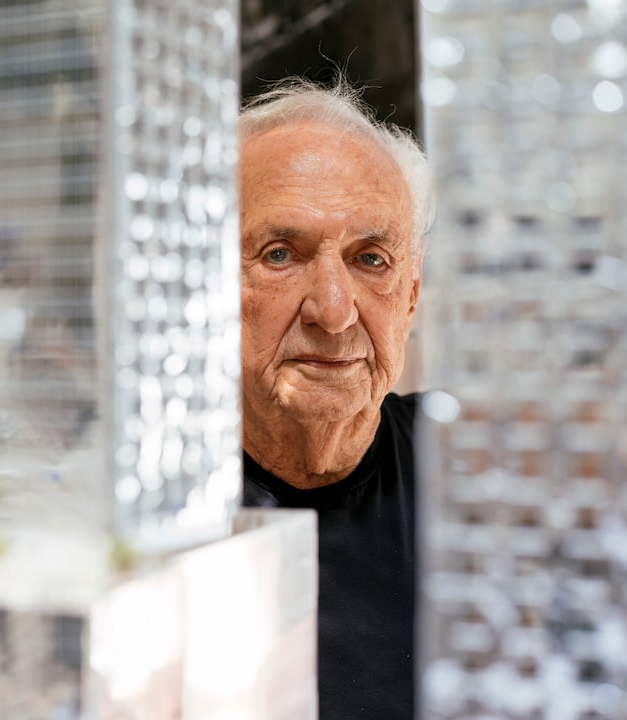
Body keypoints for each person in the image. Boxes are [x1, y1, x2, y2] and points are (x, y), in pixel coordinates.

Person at [238, 78, 434, 719]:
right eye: (280, 254)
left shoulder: (480, 477)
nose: (333, 310)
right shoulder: (149, 498)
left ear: (410, 294)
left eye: (372, 259)